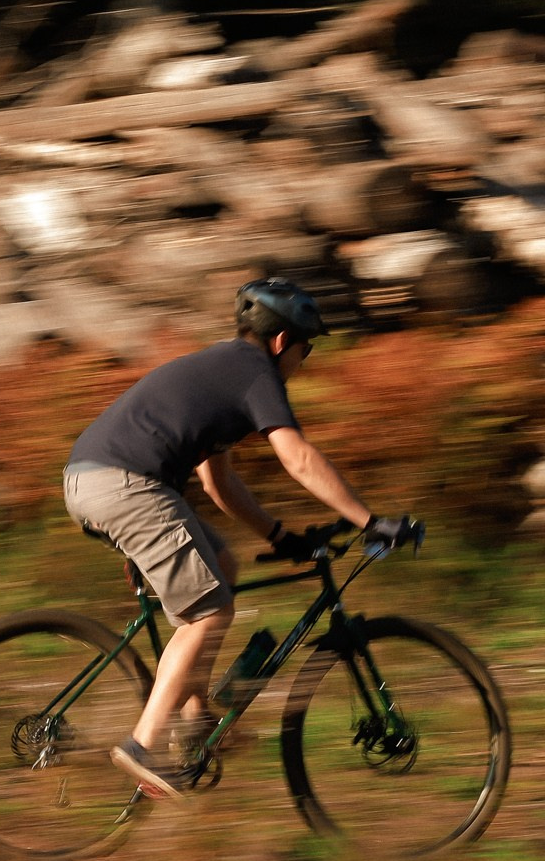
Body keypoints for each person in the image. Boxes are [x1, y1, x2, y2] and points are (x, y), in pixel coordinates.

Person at [62, 277, 415, 801]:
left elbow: (217, 481)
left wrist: (279, 535)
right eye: (306, 348)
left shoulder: (224, 370)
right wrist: (369, 521)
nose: (305, 359)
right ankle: (141, 745)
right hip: (123, 484)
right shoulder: (255, 373)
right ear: (280, 342)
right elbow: (297, 458)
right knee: (210, 612)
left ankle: (194, 719)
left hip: (99, 480)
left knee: (222, 565)